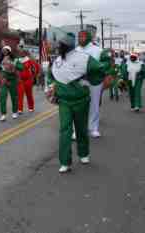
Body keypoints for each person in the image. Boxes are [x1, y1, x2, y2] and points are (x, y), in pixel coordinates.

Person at [47, 33, 110, 173]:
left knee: (81, 129)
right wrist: (51, 87)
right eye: (59, 45)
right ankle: (65, 162)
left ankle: (83, 154)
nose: (59, 48)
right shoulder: (57, 61)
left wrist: (89, 80)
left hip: (81, 100)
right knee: (65, 130)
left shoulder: (84, 58)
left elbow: (100, 68)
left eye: (62, 46)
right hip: (64, 102)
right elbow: (51, 76)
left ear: (68, 46)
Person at [75, 31, 104, 138]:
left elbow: (104, 64)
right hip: (79, 81)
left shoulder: (98, 50)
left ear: (88, 38)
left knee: (94, 104)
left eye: (82, 36)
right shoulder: (75, 50)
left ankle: (93, 129)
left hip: (94, 81)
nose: (80, 38)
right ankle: (77, 129)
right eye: (79, 36)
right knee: (78, 105)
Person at [0, 46, 23, 121]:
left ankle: (14, 112)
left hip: (13, 80)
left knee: (14, 97)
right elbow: (0, 70)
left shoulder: (15, 59)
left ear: (9, 51)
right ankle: (3, 114)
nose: (4, 52)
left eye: (5, 50)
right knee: (2, 97)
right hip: (4, 80)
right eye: (3, 51)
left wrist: (14, 65)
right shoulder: (1, 60)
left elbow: (21, 67)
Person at [17, 49, 40, 114]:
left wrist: (34, 76)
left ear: (25, 53)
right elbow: (15, 70)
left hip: (28, 80)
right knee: (20, 95)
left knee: (29, 95)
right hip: (20, 80)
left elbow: (36, 67)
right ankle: (20, 109)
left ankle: (31, 107)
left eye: (22, 53)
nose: (21, 54)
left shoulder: (29, 60)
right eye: (20, 53)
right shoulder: (18, 61)